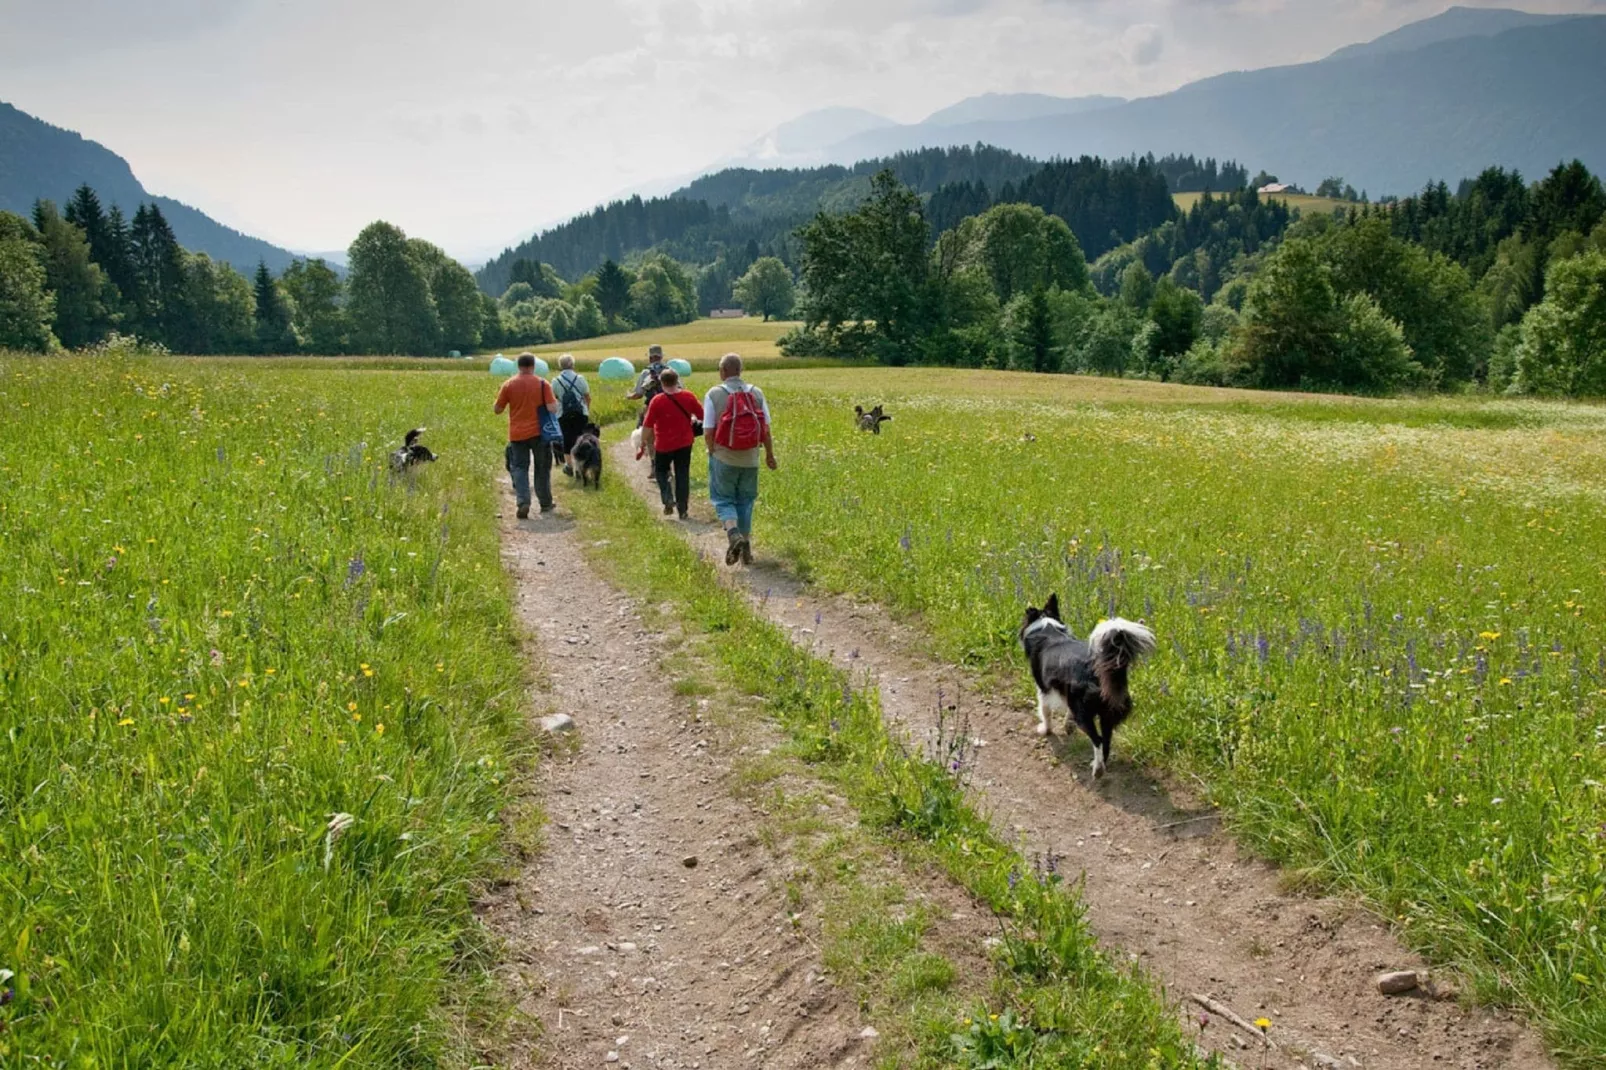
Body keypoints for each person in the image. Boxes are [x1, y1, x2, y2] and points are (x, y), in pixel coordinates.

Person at [703, 353, 776, 566]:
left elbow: (708, 430)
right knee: (746, 501)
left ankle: (733, 534)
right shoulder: (756, 393)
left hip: (724, 457)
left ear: (723, 371)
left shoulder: (714, 394)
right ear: (740, 371)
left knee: (723, 499)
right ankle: (747, 550)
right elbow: (766, 429)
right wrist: (769, 455)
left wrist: (712, 451)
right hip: (751, 459)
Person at [494, 353, 559, 519]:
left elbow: (497, 410)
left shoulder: (508, 384)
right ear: (533, 366)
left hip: (517, 434)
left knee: (520, 467)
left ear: (518, 366)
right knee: (542, 467)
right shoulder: (543, 384)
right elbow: (552, 408)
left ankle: (523, 502)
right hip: (540, 432)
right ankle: (545, 503)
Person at [641, 367, 701, 519]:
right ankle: (683, 509)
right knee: (682, 474)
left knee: (661, 471)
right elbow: (703, 415)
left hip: (663, 444)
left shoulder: (657, 401)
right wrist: (692, 419)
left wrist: (642, 442)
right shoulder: (688, 396)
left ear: (661, 383)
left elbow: (648, 425)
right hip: (685, 442)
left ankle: (667, 498)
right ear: (677, 381)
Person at [552, 353, 591, 475]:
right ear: (573, 365)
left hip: (563, 414)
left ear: (560, 366)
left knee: (567, 439)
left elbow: (554, 398)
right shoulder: (580, 379)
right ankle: (581, 465)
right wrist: (586, 410)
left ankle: (569, 466)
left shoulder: (555, 381)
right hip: (581, 413)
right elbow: (587, 397)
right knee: (581, 439)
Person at [627, 344, 668, 431]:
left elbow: (639, 394)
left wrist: (629, 396)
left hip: (651, 404)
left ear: (650, 358)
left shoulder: (646, 372)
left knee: (641, 427)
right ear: (661, 357)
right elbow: (681, 389)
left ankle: (642, 440)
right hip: (669, 404)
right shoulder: (670, 370)